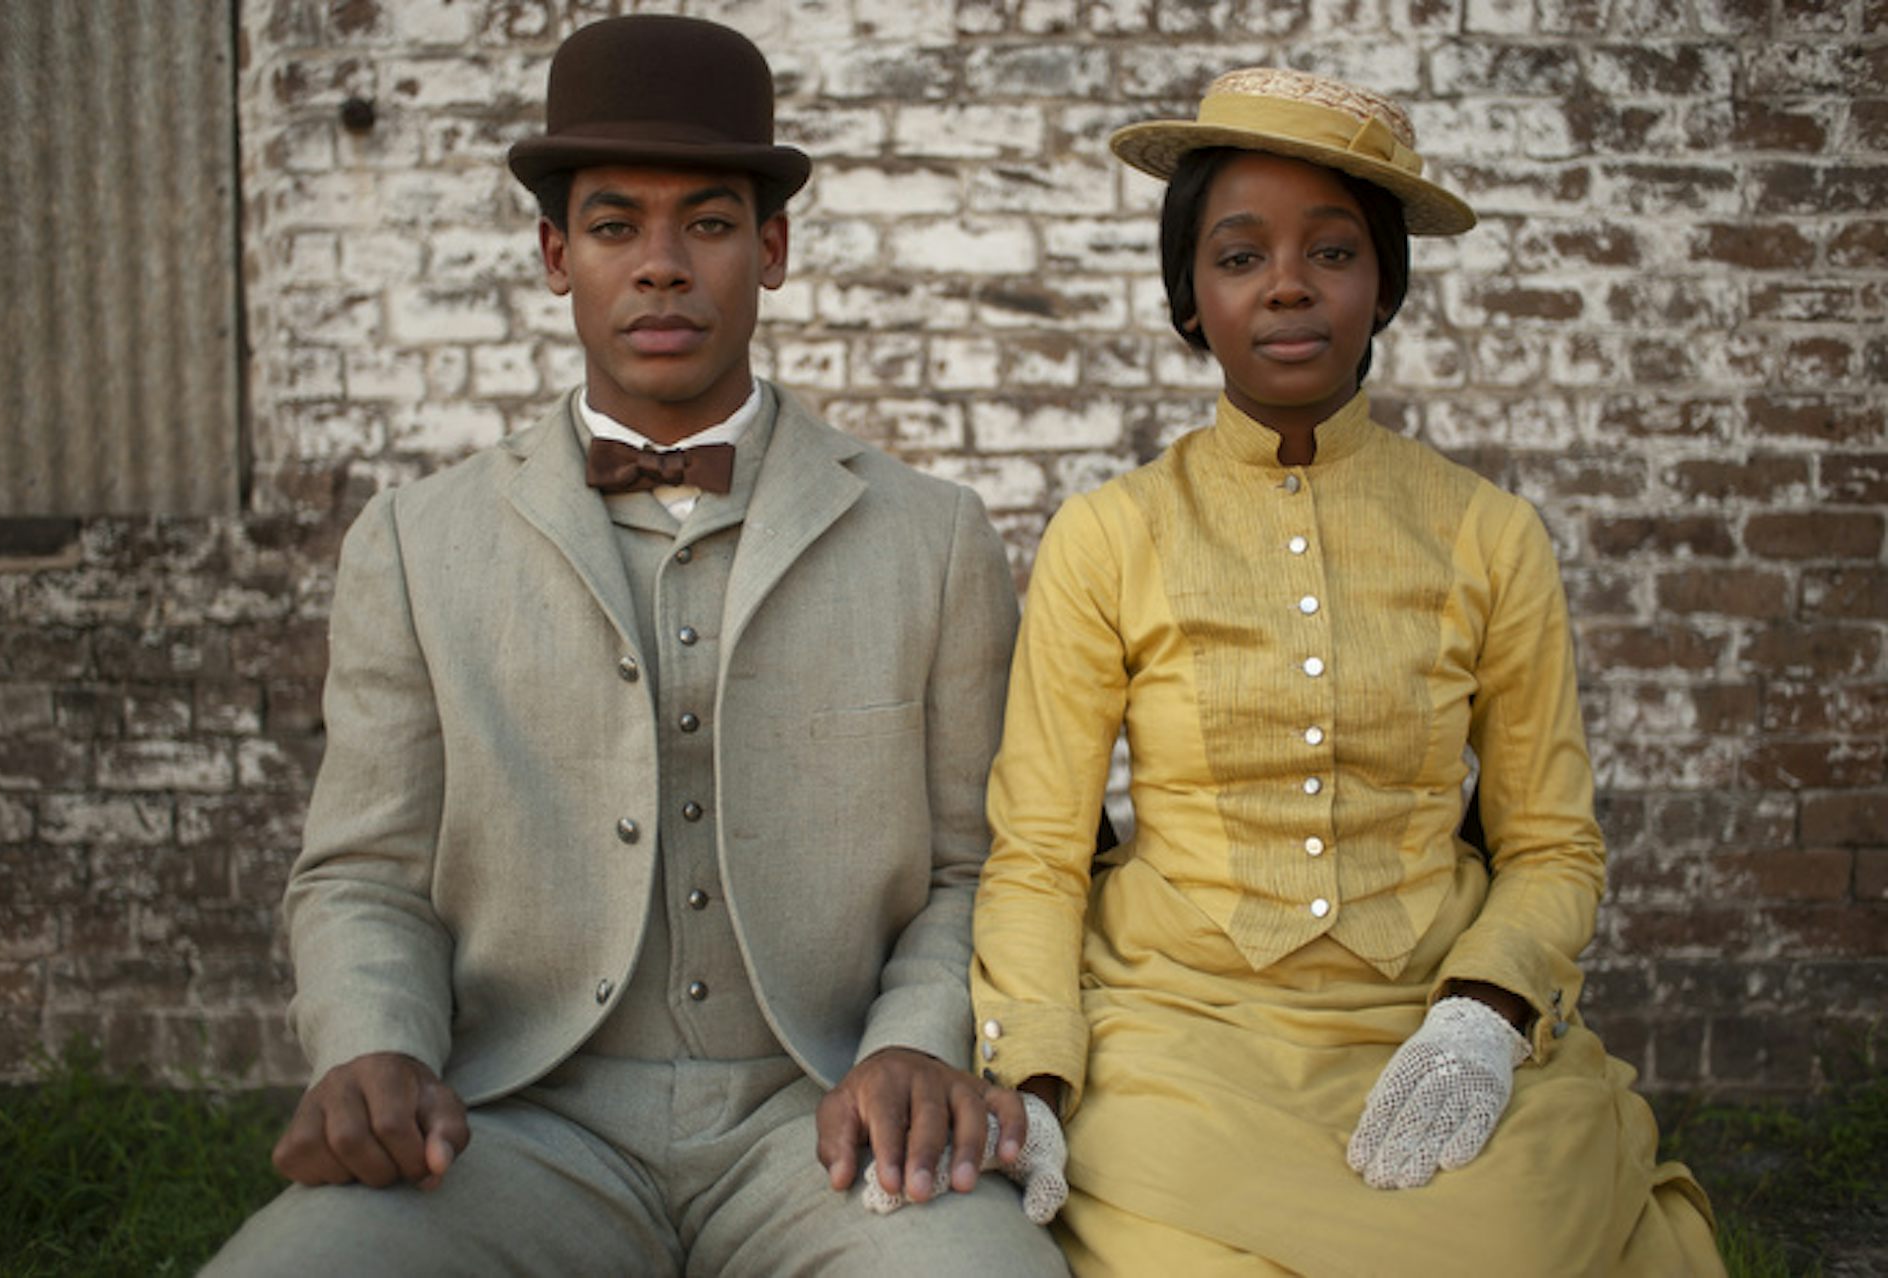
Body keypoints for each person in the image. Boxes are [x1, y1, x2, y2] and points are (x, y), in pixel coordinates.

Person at [208, 15, 1066, 1274]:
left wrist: (911, 1044)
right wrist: (375, 1049)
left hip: (825, 1122)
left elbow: (972, 866)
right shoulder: (415, 542)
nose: (662, 267)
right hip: (512, 1124)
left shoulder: (930, 538)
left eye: (708, 225)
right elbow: (366, 873)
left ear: (771, 250)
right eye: (615, 228)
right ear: (557, 255)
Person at [967, 68, 1727, 1275]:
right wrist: (1038, 1071)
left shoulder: (1489, 533)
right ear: (1190, 294)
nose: (1287, 285)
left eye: (1332, 251)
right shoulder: (1107, 535)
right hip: (1176, 1026)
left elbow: (1550, 845)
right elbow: (1040, 852)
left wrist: (1486, 1014)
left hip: (1427, 1017)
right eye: (1240, 256)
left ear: (1385, 285)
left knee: (1518, 1240)